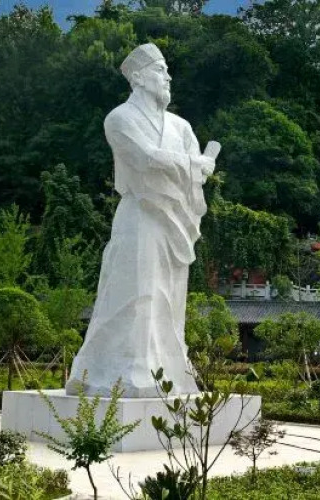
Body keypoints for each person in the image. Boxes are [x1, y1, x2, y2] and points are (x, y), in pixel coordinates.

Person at [65, 43, 217, 398]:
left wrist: (199, 168)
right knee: (134, 293)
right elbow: (146, 157)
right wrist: (193, 164)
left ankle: (168, 372)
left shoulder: (180, 126)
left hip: (174, 219)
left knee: (171, 300)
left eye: (167, 70)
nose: (168, 77)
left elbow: (194, 172)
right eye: (160, 70)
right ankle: (121, 372)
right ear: (138, 77)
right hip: (140, 215)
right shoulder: (120, 119)